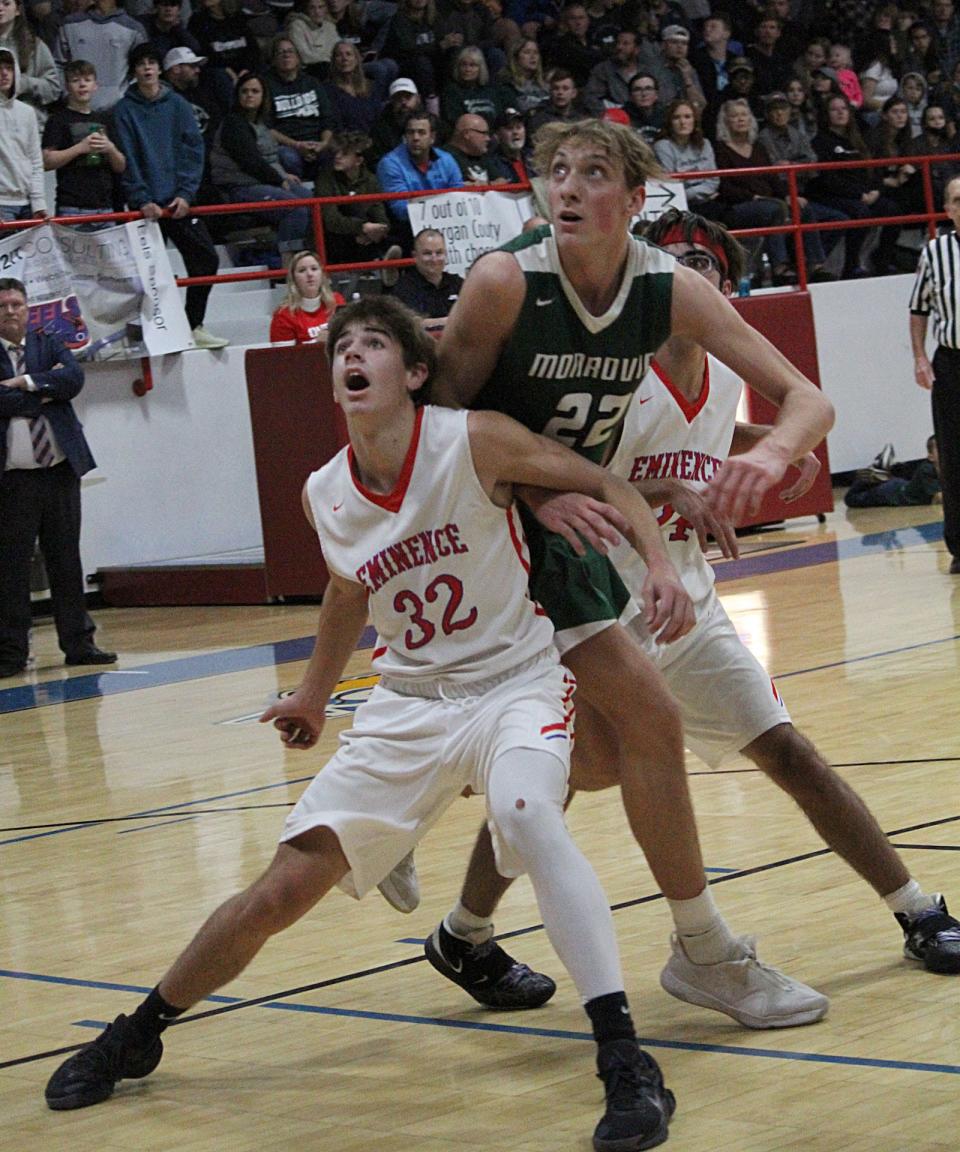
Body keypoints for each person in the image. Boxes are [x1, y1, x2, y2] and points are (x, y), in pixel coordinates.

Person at [42, 294, 684, 1152]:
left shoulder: (474, 439)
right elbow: (349, 592)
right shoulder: (324, 492)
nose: (352, 357)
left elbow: (603, 481)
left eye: (373, 343)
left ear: (413, 372)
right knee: (279, 890)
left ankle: (626, 1061)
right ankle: (139, 1031)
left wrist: (656, 565)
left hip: (513, 685)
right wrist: (312, 695)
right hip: (407, 706)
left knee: (530, 814)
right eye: (341, 348)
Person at [402, 210, 960, 1004]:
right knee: (568, 776)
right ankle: (455, 877)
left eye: (705, 263)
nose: (686, 273)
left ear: (721, 288)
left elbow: (708, 435)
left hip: (687, 601)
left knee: (790, 753)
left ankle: (915, 910)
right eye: (676, 260)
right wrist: (660, 491)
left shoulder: (725, 370)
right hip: (595, 600)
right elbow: (568, 465)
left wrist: (765, 454)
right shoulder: (606, 370)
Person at [400, 118, 837, 1031]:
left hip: (573, 538)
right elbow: (433, 430)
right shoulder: (503, 282)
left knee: (591, 756)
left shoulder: (666, 288)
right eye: (555, 172)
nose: (566, 188)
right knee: (642, 726)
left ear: (633, 202)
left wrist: (771, 455)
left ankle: (443, 867)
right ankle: (704, 950)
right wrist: (527, 489)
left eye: (591, 173)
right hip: (489, 531)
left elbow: (809, 399)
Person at [0, 276, 116, 678]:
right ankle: (11, 652)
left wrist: (26, 383)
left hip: (59, 471)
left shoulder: (47, 342)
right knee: (11, 566)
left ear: (27, 308)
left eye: (16, 304)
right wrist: (43, 393)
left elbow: (73, 379)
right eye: (3, 306)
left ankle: (79, 643)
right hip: (12, 480)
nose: (11, 311)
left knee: (66, 558)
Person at [113, 43, 229, 349]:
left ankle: (194, 325)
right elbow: (127, 157)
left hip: (177, 202)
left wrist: (185, 194)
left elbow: (193, 150)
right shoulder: (124, 110)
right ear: (134, 71)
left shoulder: (177, 104)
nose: (148, 69)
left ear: (160, 68)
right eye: (141, 64)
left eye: (152, 62)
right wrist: (140, 199)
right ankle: (150, 333)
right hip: (144, 207)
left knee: (205, 257)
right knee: (145, 273)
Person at [909, 174, 960, 576]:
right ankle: (959, 545)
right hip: (951, 361)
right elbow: (919, 309)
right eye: (957, 200)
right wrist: (920, 358)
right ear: (948, 209)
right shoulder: (935, 253)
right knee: (953, 453)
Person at [208, 71, 311, 262]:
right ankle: (288, 263)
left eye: (255, 91)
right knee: (295, 209)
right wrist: (280, 181)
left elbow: (268, 157)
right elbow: (251, 162)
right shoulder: (234, 124)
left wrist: (283, 175)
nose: (249, 95)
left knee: (313, 201)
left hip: (262, 182)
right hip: (239, 187)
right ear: (237, 95)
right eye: (245, 91)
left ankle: (312, 258)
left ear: (263, 96)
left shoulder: (260, 123)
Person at [42, 58, 126, 221]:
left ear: (95, 86)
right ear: (67, 86)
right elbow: (46, 161)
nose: (82, 85)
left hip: (105, 207)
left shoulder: (106, 119)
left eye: (87, 80)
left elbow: (121, 165)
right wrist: (79, 148)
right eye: (75, 80)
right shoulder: (58, 120)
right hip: (71, 206)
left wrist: (110, 148)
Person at [314, 129, 400, 272]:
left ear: (359, 160)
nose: (338, 157)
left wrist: (380, 230)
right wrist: (362, 228)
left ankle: (386, 262)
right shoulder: (325, 179)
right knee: (352, 207)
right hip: (334, 239)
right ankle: (382, 260)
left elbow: (379, 212)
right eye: (337, 152)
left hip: (361, 238)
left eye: (345, 154)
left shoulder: (370, 180)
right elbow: (331, 220)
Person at [375, 110, 462, 250]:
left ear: (432, 137)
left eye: (421, 132)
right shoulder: (390, 163)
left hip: (448, 228)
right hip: (408, 232)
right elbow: (401, 210)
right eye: (410, 132)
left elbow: (459, 197)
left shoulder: (447, 160)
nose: (415, 138)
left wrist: (423, 202)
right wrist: (442, 202)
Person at [55, 0, 148, 111]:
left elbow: (142, 68)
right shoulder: (70, 24)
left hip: (118, 110)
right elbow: (58, 64)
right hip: (75, 109)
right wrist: (66, 93)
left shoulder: (134, 29)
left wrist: (125, 98)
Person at [265, 34, 335, 179]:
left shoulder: (312, 83)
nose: (286, 55)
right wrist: (297, 145)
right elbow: (267, 127)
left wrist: (323, 143)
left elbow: (327, 119)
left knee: (336, 153)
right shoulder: (266, 85)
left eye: (290, 51)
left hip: (316, 142)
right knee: (288, 158)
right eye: (281, 52)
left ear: (298, 57)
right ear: (273, 60)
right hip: (287, 144)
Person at [0, 46, 48, 221]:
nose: (4, 73)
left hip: (27, 204)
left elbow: (35, 159)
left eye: (8, 68)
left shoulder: (27, 112)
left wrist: (39, 202)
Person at [0, 0, 60, 127]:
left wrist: (25, 83)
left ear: (17, 10)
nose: (0, 8)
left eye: (6, 4)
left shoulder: (33, 45)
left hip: (28, 125)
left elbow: (53, 88)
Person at [845, 434, 941, 507]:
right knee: (851, 499)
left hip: (901, 485)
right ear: (930, 457)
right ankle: (868, 475)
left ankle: (880, 472)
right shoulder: (927, 469)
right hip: (892, 493)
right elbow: (939, 497)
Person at [269, 248, 345, 341]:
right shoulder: (283, 315)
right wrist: (316, 342)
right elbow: (283, 355)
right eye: (302, 270)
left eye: (314, 269)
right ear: (293, 279)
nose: (309, 274)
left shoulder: (336, 301)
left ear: (322, 274)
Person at [389, 226, 462, 316]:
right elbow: (412, 324)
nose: (434, 259)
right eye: (427, 253)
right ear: (415, 256)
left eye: (439, 253)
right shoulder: (404, 289)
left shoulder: (458, 284)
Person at [445, 111, 512, 183]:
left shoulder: (482, 156)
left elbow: (501, 181)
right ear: (466, 134)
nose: (488, 139)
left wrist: (486, 185)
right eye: (484, 133)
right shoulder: (444, 158)